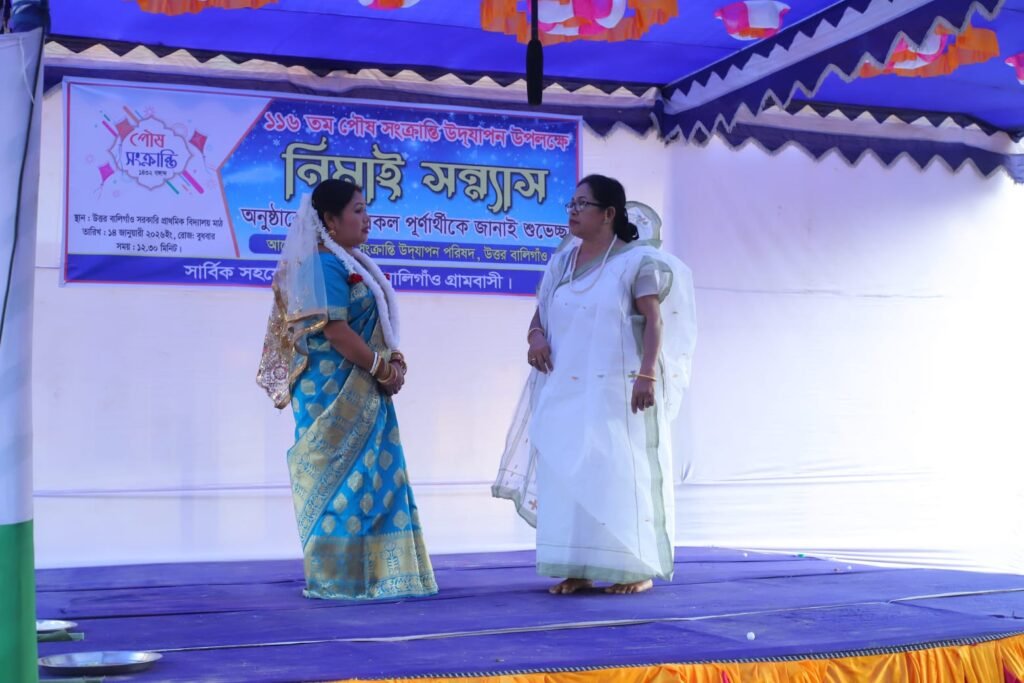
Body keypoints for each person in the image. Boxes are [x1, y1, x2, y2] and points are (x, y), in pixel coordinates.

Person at [493, 174, 697, 595]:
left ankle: (634, 568)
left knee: (616, 475)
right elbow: (540, 315)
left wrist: (647, 374)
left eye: (582, 204)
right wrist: (535, 338)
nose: (572, 211)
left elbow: (654, 322)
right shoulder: (561, 263)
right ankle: (579, 567)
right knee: (568, 475)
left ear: (608, 214)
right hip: (564, 389)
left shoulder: (636, 263)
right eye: (571, 204)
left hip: (618, 392)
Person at [257, 178, 437, 600]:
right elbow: (335, 331)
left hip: (365, 386)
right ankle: (340, 578)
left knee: (372, 481)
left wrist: (393, 362)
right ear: (330, 221)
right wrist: (380, 367)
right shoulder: (323, 265)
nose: (367, 219)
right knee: (343, 485)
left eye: (365, 209)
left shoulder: (349, 262)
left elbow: (376, 325)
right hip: (334, 394)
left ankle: (380, 577)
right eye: (358, 210)